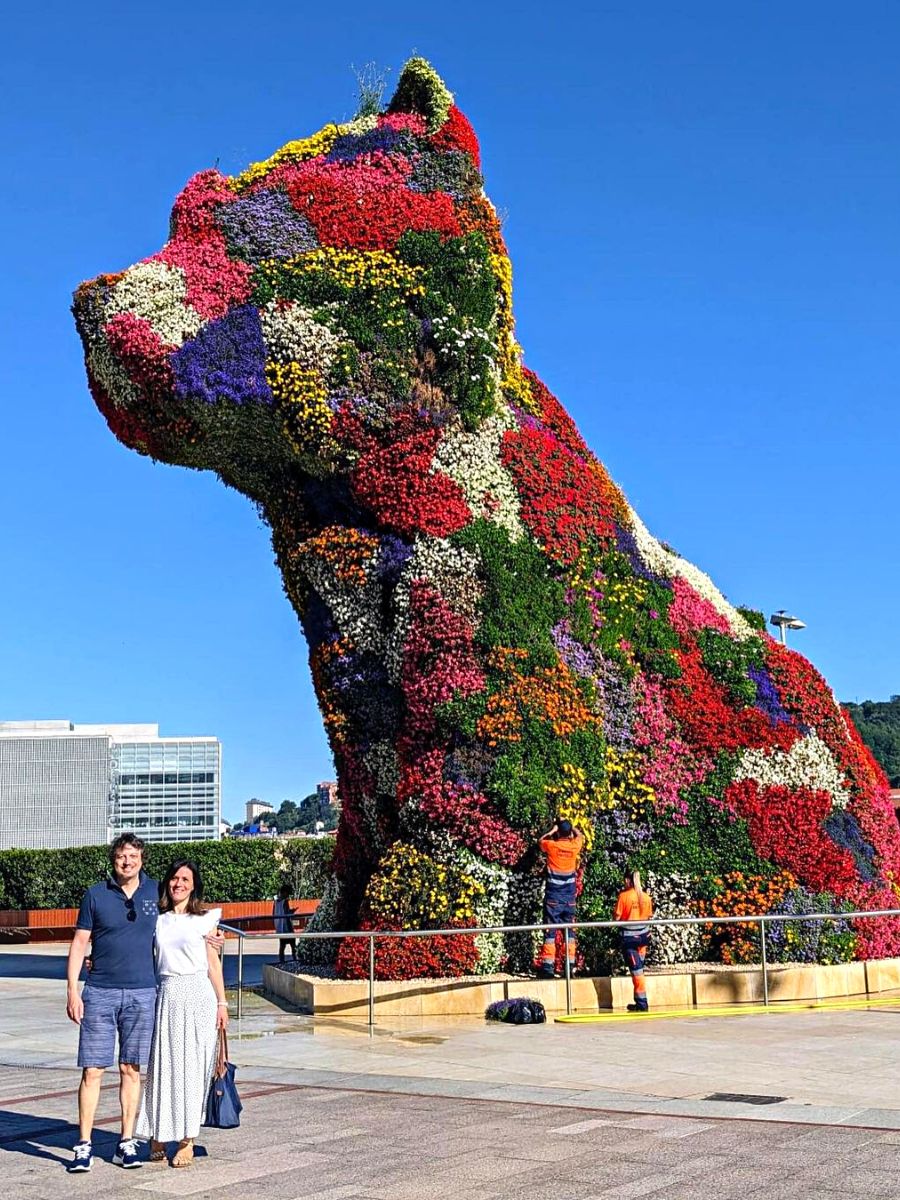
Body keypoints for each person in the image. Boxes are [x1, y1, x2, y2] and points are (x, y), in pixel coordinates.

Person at [65, 833, 222, 1173]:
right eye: (122, 856)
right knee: (93, 1070)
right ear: (114, 859)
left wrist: (213, 938)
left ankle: (127, 1141)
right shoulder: (95, 895)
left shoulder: (153, 894)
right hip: (101, 992)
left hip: (143, 993)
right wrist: (73, 991)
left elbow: (187, 923)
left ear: (142, 860)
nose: (127, 862)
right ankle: (83, 1144)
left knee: (132, 1069)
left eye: (133, 856)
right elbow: (79, 944)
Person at [136, 859, 228, 1168]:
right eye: (175, 878)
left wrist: (222, 1003)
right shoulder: (158, 921)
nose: (179, 884)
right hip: (167, 994)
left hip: (199, 995)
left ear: (194, 884)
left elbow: (213, 964)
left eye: (185, 879)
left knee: (194, 1068)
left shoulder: (205, 919)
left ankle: (188, 1138)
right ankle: (159, 1132)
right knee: (163, 1065)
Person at [537, 819, 584, 979]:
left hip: (553, 897)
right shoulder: (574, 846)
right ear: (569, 833)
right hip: (569, 898)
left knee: (550, 931)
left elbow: (540, 841)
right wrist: (573, 828)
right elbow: (581, 837)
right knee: (569, 932)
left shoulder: (552, 846)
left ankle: (548, 967)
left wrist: (552, 831)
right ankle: (569, 966)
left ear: (558, 832)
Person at [615, 869, 654, 1012]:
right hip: (643, 939)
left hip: (630, 940)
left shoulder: (624, 897)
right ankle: (639, 1002)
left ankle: (642, 1004)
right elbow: (648, 915)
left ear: (627, 880)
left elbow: (617, 918)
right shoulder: (646, 897)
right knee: (639, 970)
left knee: (637, 973)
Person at [273, 884, 298, 963]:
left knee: (282, 945)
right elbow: (286, 912)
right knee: (293, 945)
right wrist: (292, 912)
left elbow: (274, 913)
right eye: (287, 893)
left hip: (280, 927)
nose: (288, 895)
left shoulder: (276, 902)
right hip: (286, 926)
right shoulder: (285, 901)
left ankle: (282, 961)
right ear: (284, 892)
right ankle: (295, 959)